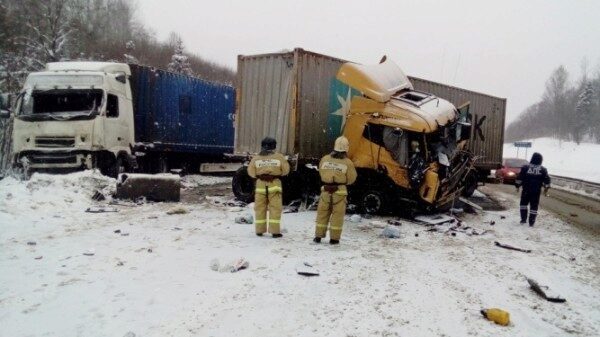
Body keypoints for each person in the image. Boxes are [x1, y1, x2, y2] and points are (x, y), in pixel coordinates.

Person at [314, 136, 357, 244]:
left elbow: (321, 172)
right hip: (340, 191)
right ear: (346, 148)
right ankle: (334, 239)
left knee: (322, 214)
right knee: (337, 216)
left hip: (326, 190)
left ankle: (318, 236)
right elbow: (352, 178)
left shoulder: (325, 159)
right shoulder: (348, 163)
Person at [247, 137, 290, 237]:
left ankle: (259, 230)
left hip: (260, 185)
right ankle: (275, 232)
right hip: (274, 185)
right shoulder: (279, 157)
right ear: (274, 146)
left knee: (260, 208)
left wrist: (260, 175)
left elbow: (251, 172)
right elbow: (286, 170)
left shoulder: (256, 158)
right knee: (275, 208)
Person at [515, 152, 550, 226]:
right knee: (534, 206)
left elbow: (520, 178)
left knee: (523, 204)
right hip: (536, 191)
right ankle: (532, 222)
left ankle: (523, 220)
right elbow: (547, 180)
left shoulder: (525, 168)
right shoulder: (543, 170)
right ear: (540, 160)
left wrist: (517, 186)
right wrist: (546, 188)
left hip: (526, 190)